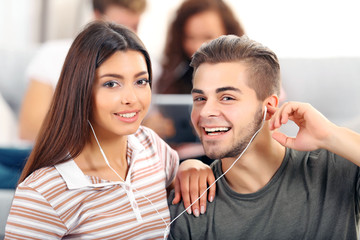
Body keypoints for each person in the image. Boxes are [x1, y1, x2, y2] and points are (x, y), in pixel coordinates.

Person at [5, 21, 215, 239]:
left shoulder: (150, 145)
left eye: (141, 81)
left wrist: (189, 167)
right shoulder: (42, 193)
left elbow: (179, 185)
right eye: (111, 84)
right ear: (81, 90)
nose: (131, 99)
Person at [168, 35, 360, 239]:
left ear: (268, 107)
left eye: (227, 98)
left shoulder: (333, 169)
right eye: (200, 98)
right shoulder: (191, 204)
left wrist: (330, 134)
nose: (205, 112)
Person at [18, 0, 147, 141]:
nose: (127, 37)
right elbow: (30, 131)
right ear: (97, 17)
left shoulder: (144, 63)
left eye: (135, 26)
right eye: (120, 26)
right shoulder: (52, 56)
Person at [155, 0, 244, 94]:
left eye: (207, 37)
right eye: (190, 37)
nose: (198, 47)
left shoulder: (247, 78)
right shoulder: (174, 80)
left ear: (229, 34)